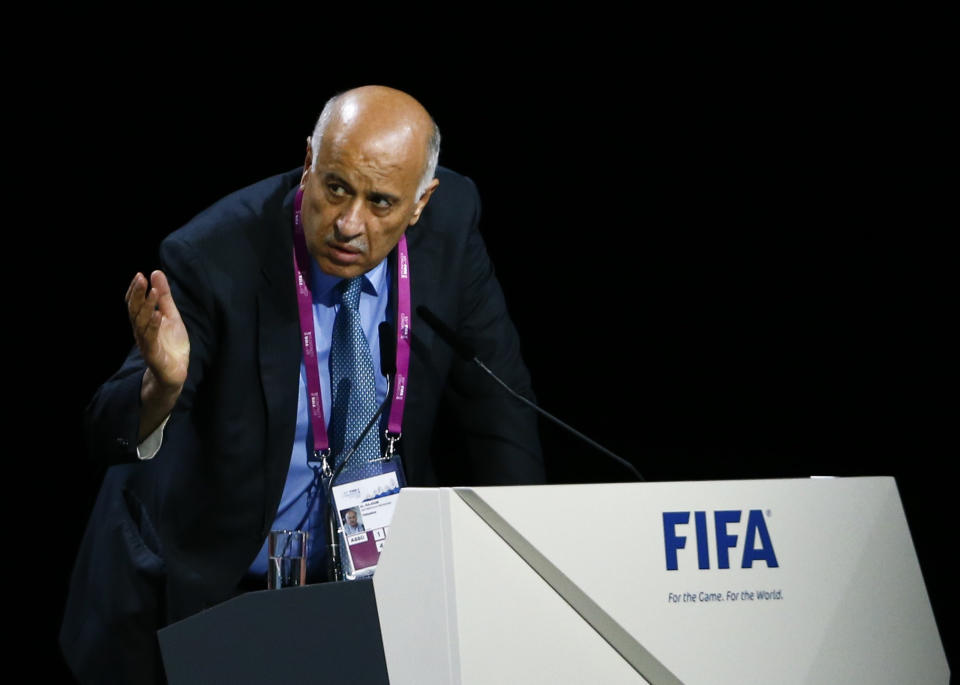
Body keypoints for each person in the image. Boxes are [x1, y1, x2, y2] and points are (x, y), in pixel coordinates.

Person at [60, 85, 544, 684]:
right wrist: (163, 386)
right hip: (204, 588)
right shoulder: (214, 255)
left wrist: (530, 567)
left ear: (421, 203)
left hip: (365, 592)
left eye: (381, 203)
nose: (349, 223)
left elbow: (500, 413)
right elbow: (102, 430)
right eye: (336, 187)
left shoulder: (451, 225)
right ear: (309, 162)